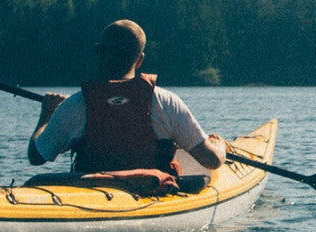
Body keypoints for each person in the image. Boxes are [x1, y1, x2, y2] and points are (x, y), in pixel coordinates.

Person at [28, 20, 226, 180]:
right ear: (139, 59)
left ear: (99, 52)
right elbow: (212, 160)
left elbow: (36, 156)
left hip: (92, 196)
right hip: (152, 195)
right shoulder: (166, 102)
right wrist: (220, 146)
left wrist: (47, 114)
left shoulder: (76, 105)